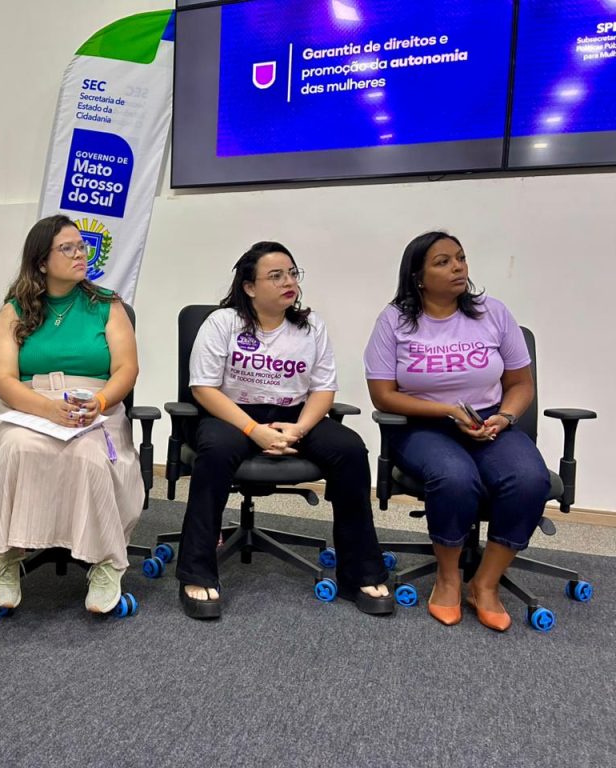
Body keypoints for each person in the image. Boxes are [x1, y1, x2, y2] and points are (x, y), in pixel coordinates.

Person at [177, 241, 394, 620]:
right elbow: (203, 388)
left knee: (350, 450)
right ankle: (196, 571)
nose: (288, 282)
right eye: (275, 276)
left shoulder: (311, 327)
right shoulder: (223, 323)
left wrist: (298, 430)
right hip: (231, 415)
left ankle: (359, 572)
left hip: (294, 416)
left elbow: (324, 389)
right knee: (215, 451)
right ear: (249, 286)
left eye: (292, 273)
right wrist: (254, 430)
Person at [363, 231, 550, 632]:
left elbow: (520, 384)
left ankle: (485, 582)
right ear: (418, 275)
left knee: (530, 478)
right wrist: (448, 410)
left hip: (488, 420)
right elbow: (383, 394)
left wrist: (505, 417)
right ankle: (448, 578)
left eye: (461, 258)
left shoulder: (493, 313)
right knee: (454, 476)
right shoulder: (394, 320)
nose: (458, 267)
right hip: (423, 424)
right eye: (443, 261)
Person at [0, 214, 143, 615]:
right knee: (16, 448)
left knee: (89, 456)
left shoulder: (107, 304)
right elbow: (2, 379)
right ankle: (8, 556)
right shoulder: (14, 310)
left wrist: (99, 404)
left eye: (81, 246)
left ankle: (106, 563)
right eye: (66, 248)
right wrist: (48, 409)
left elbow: (127, 369)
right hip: (29, 405)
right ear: (41, 262)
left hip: (94, 405)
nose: (79, 254)